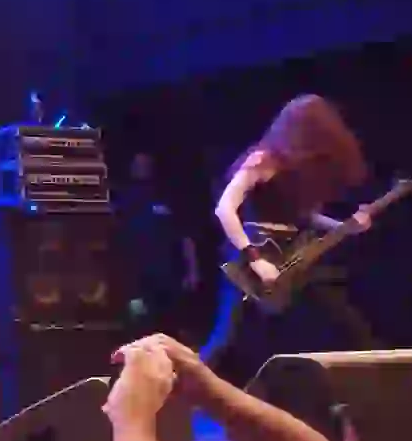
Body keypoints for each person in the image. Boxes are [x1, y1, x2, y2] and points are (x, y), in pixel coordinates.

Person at [203, 94, 380, 382]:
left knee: (335, 310)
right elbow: (224, 209)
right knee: (225, 336)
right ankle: (177, 389)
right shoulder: (262, 160)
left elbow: (304, 215)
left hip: (290, 252)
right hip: (253, 253)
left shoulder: (295, 171)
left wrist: (346, 226)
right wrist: (254, 258)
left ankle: (371, 372)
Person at [118, 152, 198, 339]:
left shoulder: (166, 197)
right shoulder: (124, 199)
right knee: (139, 326)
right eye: (138, 164)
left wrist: (193, 270)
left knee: (169, 329)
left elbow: (185, 237)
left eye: (145, 163)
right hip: (138, 278)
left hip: (168, 277)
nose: (142, 167)